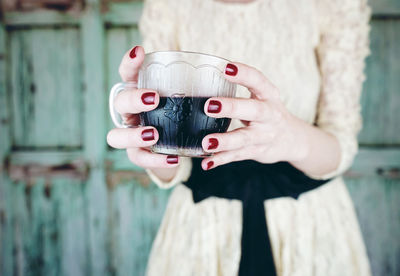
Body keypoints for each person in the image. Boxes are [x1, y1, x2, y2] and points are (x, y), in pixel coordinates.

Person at [107, 0, 372, 275]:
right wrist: (153, 145)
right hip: (204, 227)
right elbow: (174, 166)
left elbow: (341, 145)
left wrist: (292, 138)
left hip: (309, 226)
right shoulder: (169, 5)